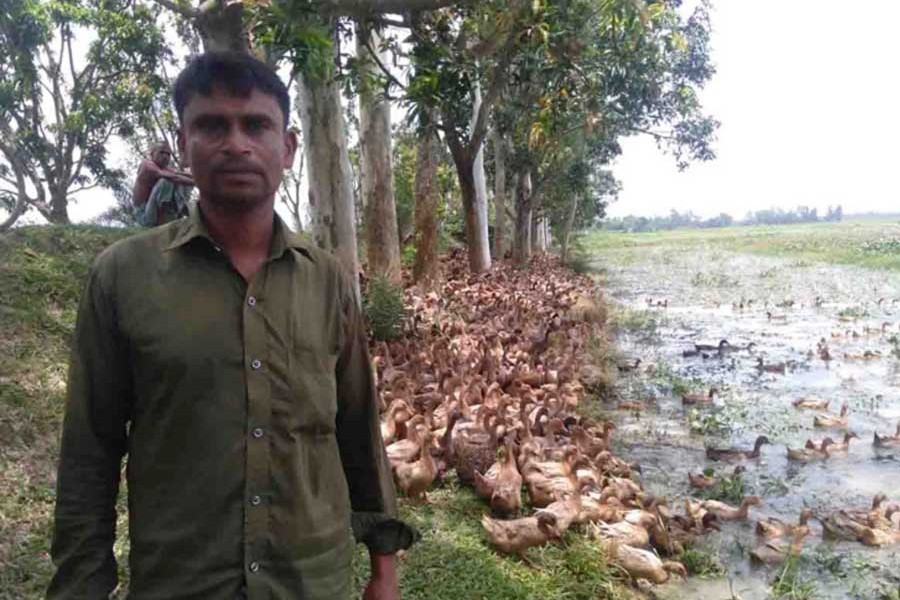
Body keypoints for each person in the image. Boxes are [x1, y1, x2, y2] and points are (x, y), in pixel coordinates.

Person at [48, 52, 416, 600]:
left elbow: (357, 427)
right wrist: (81, 585)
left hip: (311, 581)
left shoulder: (328, 281)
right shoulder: (123, 277)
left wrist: (383, 567)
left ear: (287, 148)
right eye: (212, 125)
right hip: (181, 581)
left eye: (256, 125)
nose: (236, 144)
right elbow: (90, 449)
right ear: (184, 143)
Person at [131, 141, 195, 226]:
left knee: (184, 182)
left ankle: (181, 210)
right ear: (152, 154)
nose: (165, 156)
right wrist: (200, 184)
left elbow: (181, 174)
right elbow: (173, 177)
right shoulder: (147, 165)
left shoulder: (165, 168)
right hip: (145, 217)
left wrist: (204, 179)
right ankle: (163, 222)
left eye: (168, 154)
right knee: (166, 181)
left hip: (155, 212)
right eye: (161, 153)